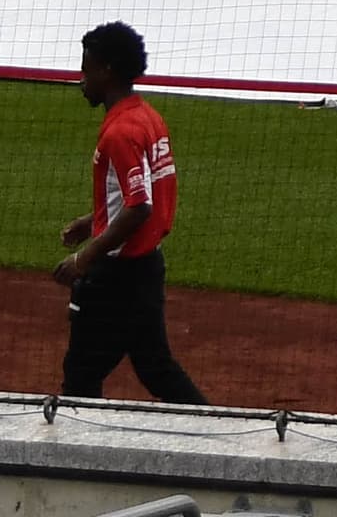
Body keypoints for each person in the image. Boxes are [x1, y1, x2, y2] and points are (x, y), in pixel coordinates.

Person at [56, 21, 205, 403]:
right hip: (147, 268)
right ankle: (218, 434)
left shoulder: (120, 132)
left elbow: (139, 207)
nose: (81, 78)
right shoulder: (149, 118)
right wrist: (91, 221)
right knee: (156, 368)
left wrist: (84, 257)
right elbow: (136, 195)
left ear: (107, 70)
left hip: (116, 277)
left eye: (86, 68)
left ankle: (81, 454)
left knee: (80, 377)